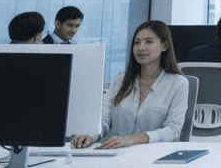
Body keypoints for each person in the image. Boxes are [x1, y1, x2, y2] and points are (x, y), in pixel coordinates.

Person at [72, 21, 189, 149]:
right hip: (114, 155)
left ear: (164, 46)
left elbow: (173, 130)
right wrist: (90, 135)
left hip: (153, 156)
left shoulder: (178, 83)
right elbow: (104, 121)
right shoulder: (120, 81)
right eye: (137, 42)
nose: (141, 47)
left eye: (149, 42)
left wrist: (133, 139)